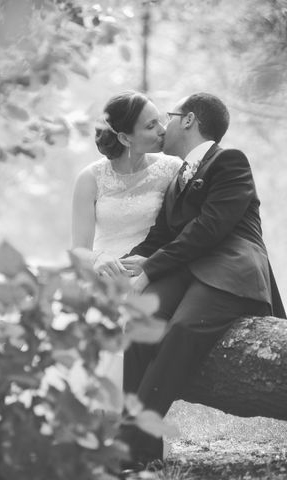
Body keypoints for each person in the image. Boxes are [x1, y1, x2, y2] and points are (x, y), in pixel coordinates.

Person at [119, 92, 286, 467]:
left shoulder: (230, 160)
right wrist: (125, 264)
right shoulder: (179, 175)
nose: (165, 124)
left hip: (231, 268)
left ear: (190, 120)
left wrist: (151, 270)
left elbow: (210, 228)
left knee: (181, 329)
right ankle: (142, 455)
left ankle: (126, 444)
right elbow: (161, 236)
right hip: (188, 269)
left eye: (171, 116)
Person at [71, 91, 182, 388]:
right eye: (150, 126)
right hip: (105, 274)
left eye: (159, 121)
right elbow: (78, 250)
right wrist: (98, 258)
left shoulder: (171, 170)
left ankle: (130, 417)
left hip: (149, 273)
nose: (162, 130)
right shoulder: (90, 178)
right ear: (124, 138)